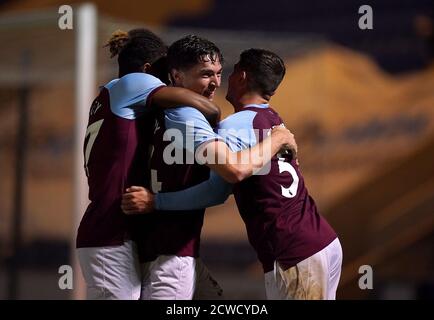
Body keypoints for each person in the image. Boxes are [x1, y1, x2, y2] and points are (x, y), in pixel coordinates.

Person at [123, 49, 342, 300]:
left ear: (242, 76)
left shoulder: (236, 125)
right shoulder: (272, 119)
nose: (220, 80)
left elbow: (218, 187)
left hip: (293, 249)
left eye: (231, 70)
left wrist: (156, 201)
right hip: (321, 240)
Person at [76, 28, 225, 300]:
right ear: (147, 69)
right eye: (165, 72)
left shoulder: (111, 98)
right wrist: (215, 114)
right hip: (110, 231)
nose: (168, 79)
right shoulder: (133, 83)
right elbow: (193, 101)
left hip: (111, 230)